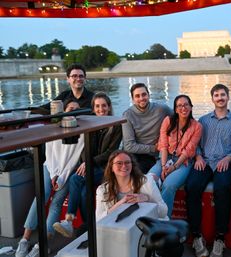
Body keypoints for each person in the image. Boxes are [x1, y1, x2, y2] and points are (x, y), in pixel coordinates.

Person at [185, 84, 231, 257]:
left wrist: (228, 158)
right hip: (204, 162)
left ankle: (220, 238)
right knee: (192, 186)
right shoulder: (203, 120)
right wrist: (197, 157)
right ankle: (196, 235)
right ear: (212, 99)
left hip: (225, 163)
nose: (220, 98)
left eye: (223, 95)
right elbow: (194, 143)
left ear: (228, 97)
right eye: (216, 95)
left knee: (222, 189)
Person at [15, 100, 84, 257]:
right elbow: (50, 154)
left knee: (56, 202)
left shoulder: (81, 131)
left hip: (67, 171)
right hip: (50, 167)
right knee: (41, 196)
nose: (73, 111)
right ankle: (24, 240)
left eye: (77, 110)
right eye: (70, 108)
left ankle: (42, 244)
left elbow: (73, 160)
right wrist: (54, 174)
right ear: (64, 110)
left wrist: (61, 177)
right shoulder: (54, 127)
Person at [53, 92, 122, 238]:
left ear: (109, 107)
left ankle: (71, 221)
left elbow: (111, 152)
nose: (101, 109)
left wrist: (89, 162)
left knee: (74, 180)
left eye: (104, 105)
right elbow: (83, 149)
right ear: (93, 108)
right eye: (97, 106)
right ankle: (88, 226)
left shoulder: (116, 125)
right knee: (84, 192)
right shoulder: (89, 124)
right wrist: (86, 162)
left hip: (106, 167)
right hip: (91, 166)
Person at [149, 95, 202, 217]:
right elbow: (163, 145)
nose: (183, 108)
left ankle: (163, 220)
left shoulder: (197, 126)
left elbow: (188, 151)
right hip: (165, 158)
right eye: (179, 105)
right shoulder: (168, 121)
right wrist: (163, 166)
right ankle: (149, 217)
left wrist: (174, 167)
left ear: (191, 107)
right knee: (149, 181)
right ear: (176, 109)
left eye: (186, 105)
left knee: (169, 185)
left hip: (183, 162)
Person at [95, 150, 168, 221]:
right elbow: (98, 219)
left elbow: (163, 212)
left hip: (147, 228)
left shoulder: (147, 182)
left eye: (127, 162)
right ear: (111, 168)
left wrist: (147, 199)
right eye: (119, 163)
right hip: (120, 229)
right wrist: (120, 204)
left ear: (132, 165)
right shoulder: (102, 190)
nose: (124, 166)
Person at [122, 83, 172, 173]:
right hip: (136, 154)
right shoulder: (127, 115)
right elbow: (129, 146)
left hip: (156, 155)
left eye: (144, 94)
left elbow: (179, 118)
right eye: (137, 96)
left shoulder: (162, 109)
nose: (141, 98)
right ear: (133, 99)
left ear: (148, 95)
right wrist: (154, 148)